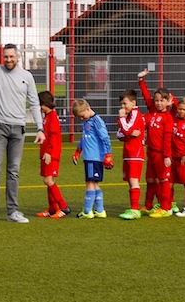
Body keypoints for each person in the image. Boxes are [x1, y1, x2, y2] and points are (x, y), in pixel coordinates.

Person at [0, 12, 44, 224]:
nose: (8, 59)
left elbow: (34, 102)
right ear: (1, 58)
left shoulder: (27, 76)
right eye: (5, 57)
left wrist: (40, 128)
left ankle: (13, 211)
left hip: (18, 129)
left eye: (12, 56)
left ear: (18, 57)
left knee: (13, 172)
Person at [137, 69, 174, 218]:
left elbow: (167, 139)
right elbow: (146, 96)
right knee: (150, 179)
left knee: (164, 179)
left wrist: (167, 156)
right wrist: (141, 80)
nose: (158, 103)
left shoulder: (168, 118)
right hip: (151, 152)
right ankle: (149, 205)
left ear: (168, 101)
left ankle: (165, 207)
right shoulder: (152, 110)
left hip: (161, 154)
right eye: (156, 100)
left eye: (162, 100)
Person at [71, 99, 113, 219]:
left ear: (88, 109)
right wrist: (78, 150)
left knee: (89, 182)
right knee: (94, 183)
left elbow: (105, 138)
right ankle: (100, 211)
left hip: (93, 157)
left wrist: (108, 154)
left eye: (82, 116)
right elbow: (85, 138)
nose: (82, 118)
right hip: (90, 157)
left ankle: (88, 211)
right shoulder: (87, 121)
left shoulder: (96, 121)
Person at [36, 91, 69, 219]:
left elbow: (54, 137)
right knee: (48, 180)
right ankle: (52, 208)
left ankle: (63, 206)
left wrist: (49, 152)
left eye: (40, 105)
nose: (39, 108)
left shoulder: (53, 117)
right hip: (46, 153)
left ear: (45, 104)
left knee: (48, 180)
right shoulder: (47, 117)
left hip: (51, 154)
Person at [117, 89, 146, 220]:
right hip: (128, 153)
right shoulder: (129, 116)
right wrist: (128, 133)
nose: (123, 107)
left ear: (133, 102)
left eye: (125, 103)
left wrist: (122, 119)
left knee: (134, 180)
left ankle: (135, 209)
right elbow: (120, 134)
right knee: (130, 181)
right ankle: (133, 207)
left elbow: (126, 129)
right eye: (121, 104)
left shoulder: (135, 114)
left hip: (135, 153)